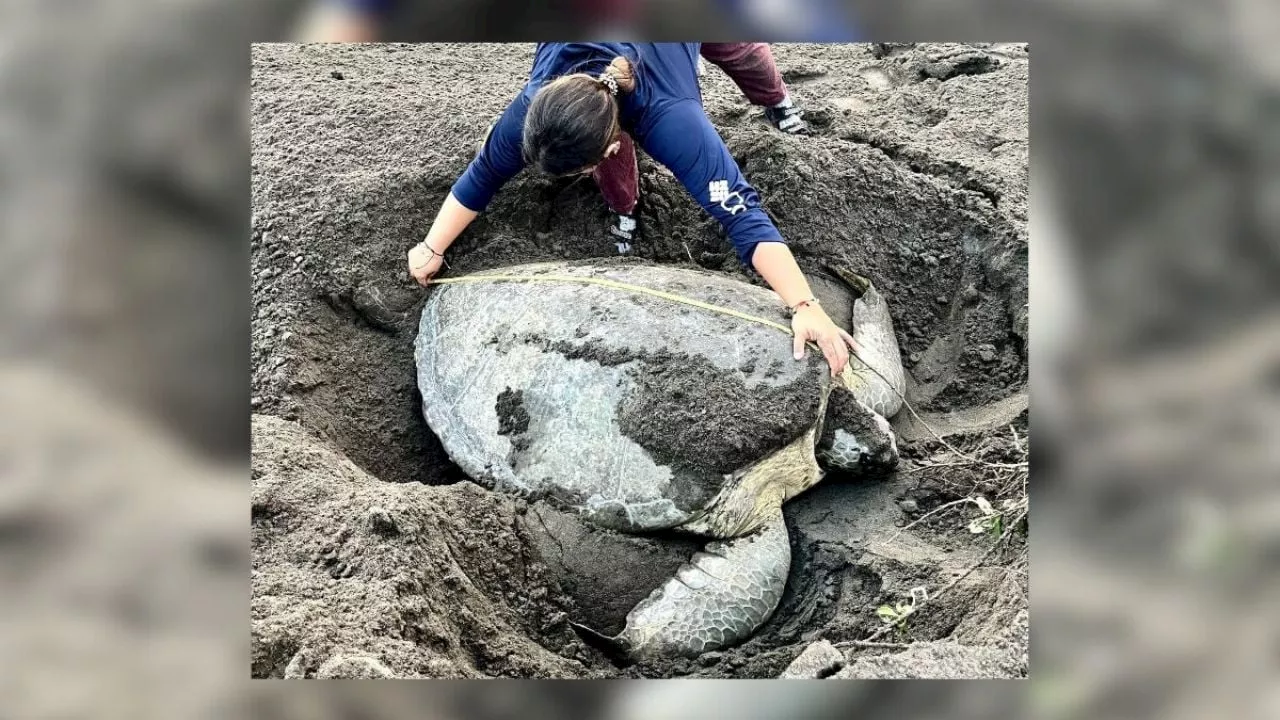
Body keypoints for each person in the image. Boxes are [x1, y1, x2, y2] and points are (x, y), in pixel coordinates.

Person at [408, 43, 857, 377]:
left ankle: (779, 103)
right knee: (618, 191)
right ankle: (626, 209)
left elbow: (741, 213)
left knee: (742, 53)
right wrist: (432, 246)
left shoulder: (674, 121)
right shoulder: (536, 108)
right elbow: (485, 172)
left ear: (609, 145)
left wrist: (805, 304)